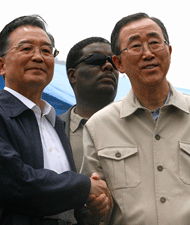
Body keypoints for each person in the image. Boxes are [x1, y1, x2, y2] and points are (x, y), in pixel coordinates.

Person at [0, 15, 112, 225]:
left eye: (46, 51)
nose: (38, 57)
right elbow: (15, 183)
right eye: (26, 49)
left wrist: (90, 201)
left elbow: (58, 198)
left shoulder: (54, 122)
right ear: (1, 65)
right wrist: (84, 187)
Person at [81, 12, 190, 224]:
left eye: (154, 43)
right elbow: (93, 210)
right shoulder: (99, 125)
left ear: (168, 51)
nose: (148, 53)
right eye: (136, 46)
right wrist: (95, 204)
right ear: (118, 63)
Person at [59, 37, 119, 173]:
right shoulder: (50, 131)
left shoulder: (136, 126)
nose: (108, 66)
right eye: (96, 60)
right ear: (72, 75)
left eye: (114, 62)